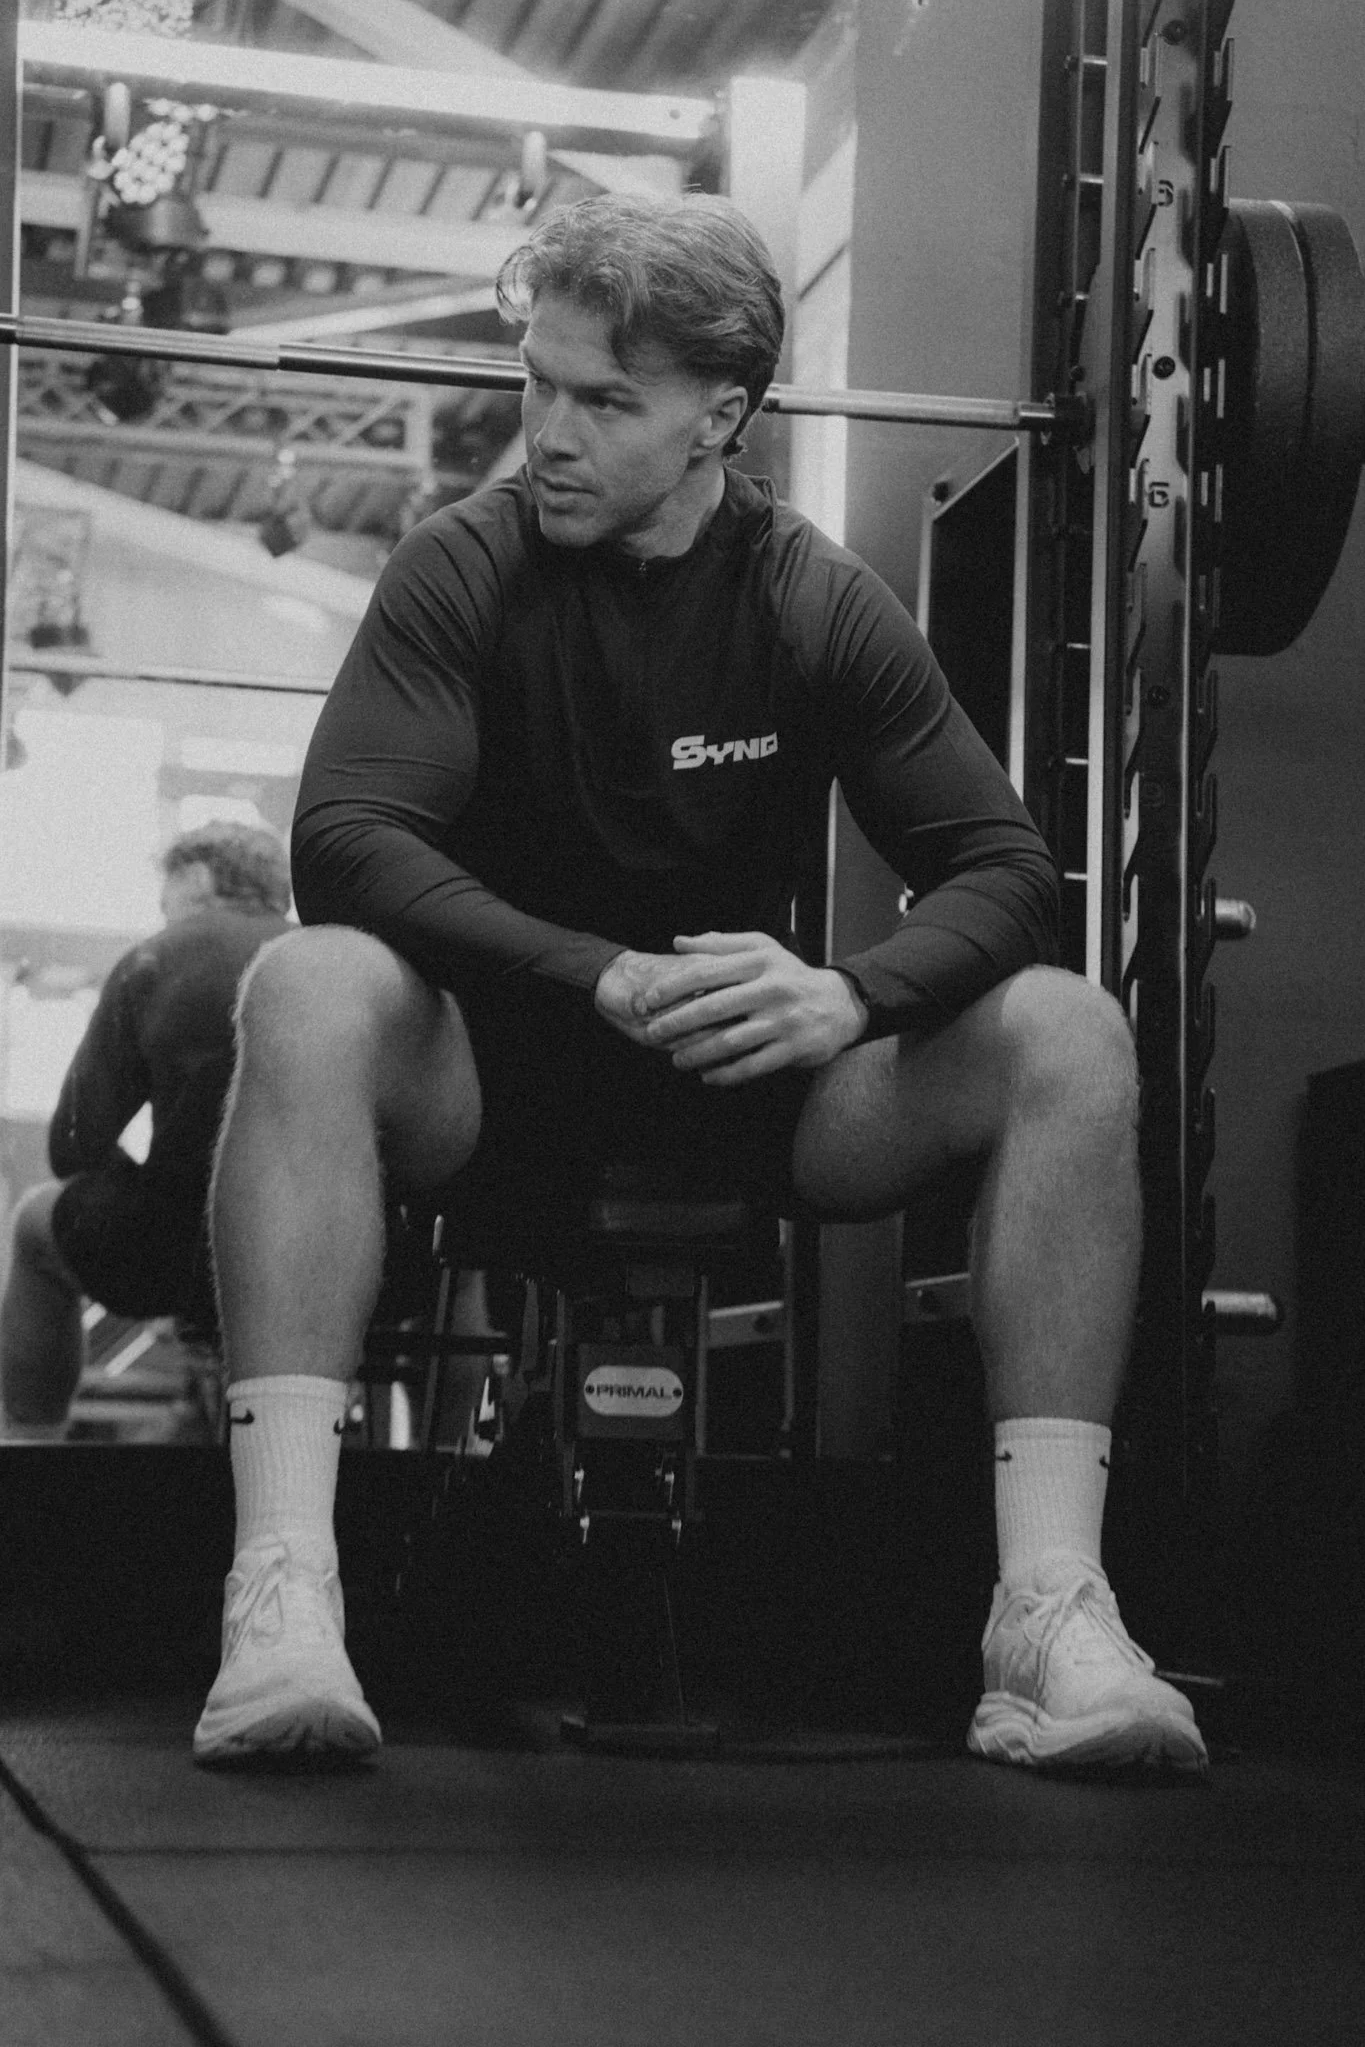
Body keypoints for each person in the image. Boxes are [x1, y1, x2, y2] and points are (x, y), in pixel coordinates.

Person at [195, 193, 1208, 1776]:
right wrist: (588, 972)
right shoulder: (464, 566)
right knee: (311, 983)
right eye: (538, 383)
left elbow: (1007, 868)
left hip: (755, 1092)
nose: (550, 434)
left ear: (719, 417)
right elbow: (346, 843)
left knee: (1069, 1032)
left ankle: (1050, 1608)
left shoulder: (805, 595)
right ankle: (285, 1594)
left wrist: (848, 999)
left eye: (606, 402)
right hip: (494, 1087)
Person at [0, 822, 292, 1439]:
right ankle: (455, 1453)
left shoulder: (158, 956)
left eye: (164, 899)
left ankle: (29, 1449)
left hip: (182, 1250)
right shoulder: (327, 954)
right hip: (329, 1256)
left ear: (195, 878)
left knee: (33, 1222)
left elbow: (71, 1147)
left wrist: (129, 1182)